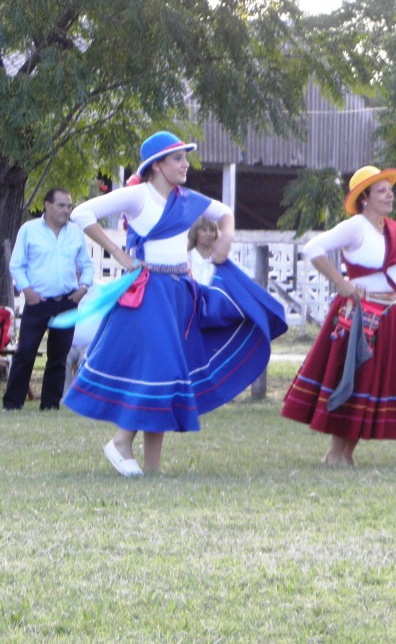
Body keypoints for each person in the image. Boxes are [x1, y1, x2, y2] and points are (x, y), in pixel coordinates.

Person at [64, 131, 287, 476]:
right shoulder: (138, 195)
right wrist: (121, 254)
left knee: (166, 379)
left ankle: (152, 468)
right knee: (163, 371)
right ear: (157, 165)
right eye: (177, 158)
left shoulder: (186, 199)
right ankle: (122, 442)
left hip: (180, 292)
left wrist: (225, 238)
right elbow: (82, 213)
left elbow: (225, 212)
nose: (185, 165)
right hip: (148, 292)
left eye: (185, 158)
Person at [281, 165, 396, 467]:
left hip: (389, 315)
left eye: (389, 189)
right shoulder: (355, 226)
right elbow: (313, 248)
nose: (389, 194)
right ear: (364, 198)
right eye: (381, 190)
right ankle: (334, 453)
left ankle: (347, 453)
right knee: (352, 378)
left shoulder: (392, 229)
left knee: (371, 383)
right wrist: (340, 282)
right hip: (359, 315)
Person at [3, 188, 94, 411]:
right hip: (38, 302)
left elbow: (87, 265)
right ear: (47, 205)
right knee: (26, 352)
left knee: (59, 355)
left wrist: (83, 288)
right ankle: (13, 404)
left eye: (69, 206)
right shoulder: (29, 230)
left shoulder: (75, 233)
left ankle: (51, 405)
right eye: (61, 205)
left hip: (67, 301)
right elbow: (16, 265)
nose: (66, 210)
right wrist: (27, 291)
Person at [187, 216, 219, 285]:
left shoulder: (221, 260)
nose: (209, 234)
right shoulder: (185, 259)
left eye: (212, 230)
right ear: (195, 233)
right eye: (204, 230)